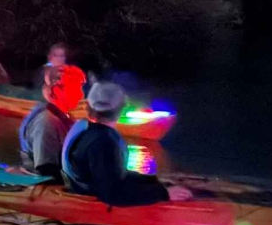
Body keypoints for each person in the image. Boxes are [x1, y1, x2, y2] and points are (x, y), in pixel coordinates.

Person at [61, 82, 192, 205]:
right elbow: (112, 194)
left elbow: (113, 175)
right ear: (122, 107)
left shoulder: (91, 132)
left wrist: (152, 180)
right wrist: (163, 193)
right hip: (92, 201)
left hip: (87, 188)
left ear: (90, 107)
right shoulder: (102, 142)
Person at [19, 64, 87, 181]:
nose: (81, 95)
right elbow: (46, 169)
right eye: (75, 88)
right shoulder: (47, 122)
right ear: (57, 91)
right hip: (44, 182)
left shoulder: (64, 116)